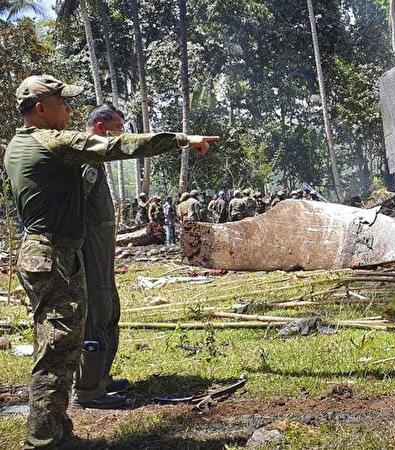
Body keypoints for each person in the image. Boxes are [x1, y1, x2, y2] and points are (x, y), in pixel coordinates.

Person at [4, 75, 217, 449]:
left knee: (62, 346)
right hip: (52, 255)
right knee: (56, 349)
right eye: (63, 103)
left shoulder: (16, 145)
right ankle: (44, 439)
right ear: (40, 108)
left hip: (47, 253)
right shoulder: (51, 142)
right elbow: (118, 146)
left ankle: (57, 429)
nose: (69, 110)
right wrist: (182, 139)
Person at [72, 104, 127, 411]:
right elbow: (75, 206)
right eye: (117, 130)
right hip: (91, 251)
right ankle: (88, 388)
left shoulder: (97, 161)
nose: (120, 137)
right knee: (96, 313)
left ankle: (102, 377)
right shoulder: (88, 161)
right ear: (101, 129)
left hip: (102, 251)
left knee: (109, 310)